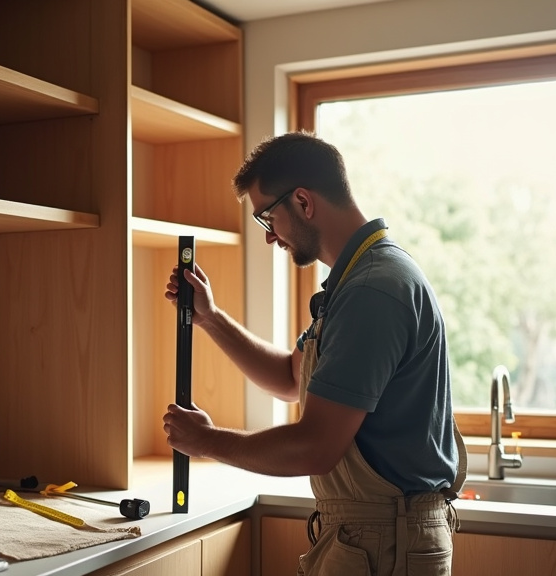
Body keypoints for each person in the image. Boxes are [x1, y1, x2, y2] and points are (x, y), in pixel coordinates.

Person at [162, 131, 467, 576]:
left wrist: (207, 441)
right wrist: (210, 318)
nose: (270, 237)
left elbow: (315, 447)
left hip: (385, 540)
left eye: (268, 218)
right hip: (373, 535)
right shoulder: (357, 280)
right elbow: (290, 377)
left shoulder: (372, 291)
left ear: (303, 202)